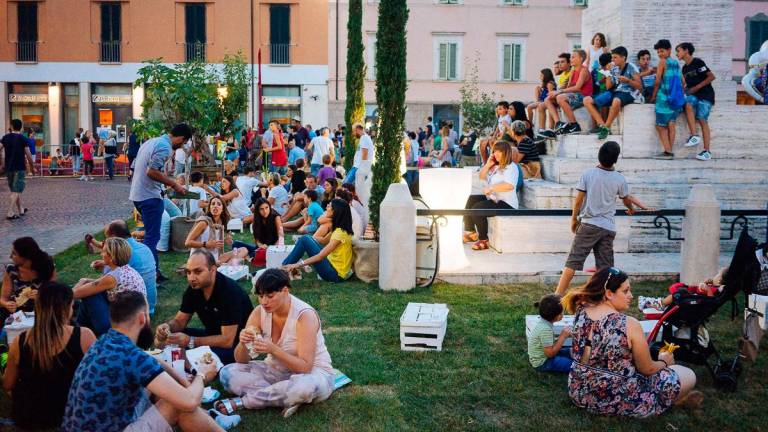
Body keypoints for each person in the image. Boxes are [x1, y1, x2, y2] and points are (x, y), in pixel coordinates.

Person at [62, 291, 225, 432]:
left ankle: (208, 417)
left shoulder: (104, 341)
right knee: (178, 404)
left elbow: (154, 360)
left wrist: (185, 385)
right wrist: (201, 375)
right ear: (142, 318)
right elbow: (189, 401)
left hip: (86, 425)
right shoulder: (132, 356)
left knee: (170, 394)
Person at [563, 268, 702, 417]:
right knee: (687, 374)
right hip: (615, 398)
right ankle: (671, 400)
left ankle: (674, 398)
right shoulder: (629, 324)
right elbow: (647, 369)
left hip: (579, 391)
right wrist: (664, 362)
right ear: (609, 294)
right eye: (625, 291)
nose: (631, 295)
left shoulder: (581, 310)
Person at [216, 269, 335, 418]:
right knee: (227, 373)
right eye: (260, 296)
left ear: (285, 291)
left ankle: (244, 402)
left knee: (304, 388)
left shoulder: (305, 316)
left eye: (270, 296)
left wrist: (274, 350)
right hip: (275, 371)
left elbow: (305, 367)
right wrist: (242, 343)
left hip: (312, 374)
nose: (264, 302)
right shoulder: (259, 312)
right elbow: (242, 360)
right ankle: (281, 396)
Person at [555, 141, 653, 295]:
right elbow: (626, 198)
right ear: (615, 159)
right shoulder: (619, 178)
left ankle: (557, 296)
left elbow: (578, 200)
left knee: (573, 262)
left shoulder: (588, 174)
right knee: (605, 268)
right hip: (608, 228)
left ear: (599, 155)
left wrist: (574, 220)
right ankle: (601, 299)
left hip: (589, 225)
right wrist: (633, 209)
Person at [3, 282, 96, 430]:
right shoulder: (84, 336)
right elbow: (96, 380)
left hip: (29, 418)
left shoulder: (20, 341)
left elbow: (8, 385)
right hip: (69, 415)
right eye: (72, 306)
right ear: (66, 309)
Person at [155, 251, 254, 364]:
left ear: (213, 270)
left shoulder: (229, 292)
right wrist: (167, 327)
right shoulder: (194, 288)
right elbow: (179, 322)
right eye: (188, 272)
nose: (192, 278)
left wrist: (190, 341)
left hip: (237, 346)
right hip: (213, 335)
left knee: (193, 357)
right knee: (170, 338)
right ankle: (175, 357)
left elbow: (227, 340)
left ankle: (181, 360)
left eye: (198, 271)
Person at [129, 123, 192, 269]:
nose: (181, 146)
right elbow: (151, 172)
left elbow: (138, 167)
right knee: (152, 238)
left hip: (139, 195)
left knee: (151, 236)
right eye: (183, 143)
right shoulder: (165, 147)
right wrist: (174, 184)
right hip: (149, 197)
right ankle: (151, 272)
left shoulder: (151, 142)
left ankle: (153, 270)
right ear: (181, 138)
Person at [74, 237, 147, 336]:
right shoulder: (125, 270)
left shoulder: (113, 277)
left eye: (103, 252)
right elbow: (100, 284)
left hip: (124, 326)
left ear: (111, 257)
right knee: (91, 292)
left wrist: (82, 281)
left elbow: (75, 294)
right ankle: (79, 330)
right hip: (135, 320)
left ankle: (76, 333)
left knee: (90, 296)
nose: (101, 254)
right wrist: (87, 281)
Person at [89, 220, 158, 316]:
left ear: (113, 237)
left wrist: (104, 267)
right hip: (149, 306)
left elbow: (106, 282)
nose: (106, 241)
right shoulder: (144, 248)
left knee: (91, 296)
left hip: (133, 312)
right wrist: (105, 264)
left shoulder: (122, 257)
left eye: (106, 237)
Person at [463, 141, 519, 251]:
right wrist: (488, 164)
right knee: (469, 199)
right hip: (494, 199)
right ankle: (471, 232)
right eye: (495, 151)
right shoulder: (496, 166)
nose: (496, 154)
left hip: (506, 203)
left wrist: (491, 188)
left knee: (478, 208)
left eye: (499, 152)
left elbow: (509, 186)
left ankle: (484, 239)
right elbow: (482, 176)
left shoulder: (511, 167)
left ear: (506, 153)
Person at [282, 199, 355, 282]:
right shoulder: (340, 229)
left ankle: (283, 270)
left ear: (336, 211)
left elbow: (320, 256)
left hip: (335, 274)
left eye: (330, 205)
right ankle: (284, 268)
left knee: (305, 239)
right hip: (332, 266)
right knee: (305, 239)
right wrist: (310, 240)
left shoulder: (340, 233)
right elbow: (324, 241)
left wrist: (298, 264)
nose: (327, 206)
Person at [583, 46, 643, 140]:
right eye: (612, 57)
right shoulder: (614, 68)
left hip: (628, 92)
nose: (613, 60)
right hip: (615, 91)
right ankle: (602, 125)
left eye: (615, 57)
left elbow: (640, 86)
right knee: (587, 100)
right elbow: (608, 87)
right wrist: (608, 72)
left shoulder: (631, 67)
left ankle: (606, 127)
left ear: (623, 58)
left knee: (616, 100)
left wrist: (628, 81)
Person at [1, 237, 56, 327]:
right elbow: (3, 298)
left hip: (43, 309)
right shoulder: (11, 270)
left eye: (14, 254)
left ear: (26, 256)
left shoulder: (47, 267)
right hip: (18, 312)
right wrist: (7, 304)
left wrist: (41, 295)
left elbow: (55, 293)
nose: (10, 257)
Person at [677, 42, 715, 161]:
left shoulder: (698, 62)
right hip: (694, 95)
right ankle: (694, 135)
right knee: (687, 104)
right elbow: (686, 84)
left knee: (702, 120)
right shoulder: (684, 68)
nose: (677, 54)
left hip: (706, 95)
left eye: (678, 51)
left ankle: (707, 151)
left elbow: (711, 77)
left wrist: (697, 88)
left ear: (686, 51)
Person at [541, 49, 593, 137]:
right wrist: (557, 91)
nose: (571, 59)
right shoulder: (573, 71)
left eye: (573, 57)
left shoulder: (584, 70)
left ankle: (574, 125)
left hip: (583, 96)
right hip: (574, 95)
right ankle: (558, 123)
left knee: (560, 97)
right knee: (548, 99)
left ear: (580, 59)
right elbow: (569, 87)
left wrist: (559, 92)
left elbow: (577, 87)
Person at [650, 39, 683, 160]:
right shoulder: (675, 63)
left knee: (660, 126)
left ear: (669, 50)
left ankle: (668, 152)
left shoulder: (662, 62)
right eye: (658, 52)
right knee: (671, 124)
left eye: (662, 51)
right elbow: (681, 80)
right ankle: (669, 151)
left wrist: (653, 96)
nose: (660, 54)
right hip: (675, 99)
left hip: (664, 98)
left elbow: (658, 81)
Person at [232, 197, 285, 265]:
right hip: (260, 248)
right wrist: (261, 245)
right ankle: (249, 256)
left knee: (255, 254)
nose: (265, 211)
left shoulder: (276, 217)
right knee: (235, 244)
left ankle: (249, 256)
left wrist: (272, 249)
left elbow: (281, 236)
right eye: (261, 209)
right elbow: (257, 240)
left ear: (269, 207)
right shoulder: (256, 218)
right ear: (258, 210)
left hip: (273, 248)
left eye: (266, 207)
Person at [1, 119, 36, 220]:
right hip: (19, 167)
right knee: (16, 190)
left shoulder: (5, 138)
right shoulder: (22, 138)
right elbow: (28, 155)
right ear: (20, 127)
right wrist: (32, 168)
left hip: (9, 167)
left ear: (11, 126)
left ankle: (21, 209)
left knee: (14, 189)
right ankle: (10, 212)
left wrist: (2, 162)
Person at [528, 294, 572, 373]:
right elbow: (550, 354)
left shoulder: (543, 323)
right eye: (563, 312)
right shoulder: (545, 330)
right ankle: (577, 365)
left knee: (569, 351)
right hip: (543, 362)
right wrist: (562, 337)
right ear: (558, 317)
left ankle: (574, 355)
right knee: (571, 365)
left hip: (545, 355)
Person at [344, 124, 374, 206]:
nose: (353, 133)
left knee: (345, 185)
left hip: (358, 167)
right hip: (357, 167)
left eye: (354, 131)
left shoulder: (364, 138)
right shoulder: (364, 138)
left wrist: (361, 169)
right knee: (353, 188)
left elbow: (364, 154)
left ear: (358, 129)